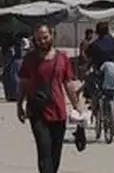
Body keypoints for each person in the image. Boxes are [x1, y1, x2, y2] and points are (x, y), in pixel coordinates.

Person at [18, 24, 80, 173]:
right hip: (37, 111)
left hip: (58, 111)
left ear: (52, 35)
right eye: (38, 39)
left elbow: (68, 83)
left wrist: (77, 106)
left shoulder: (62, 58)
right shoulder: (29, 59)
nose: (42, 41)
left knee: (55, 153)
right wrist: (19, 104)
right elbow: (24, 82)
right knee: (44, 151)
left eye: (45, 38)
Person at [86, 22, 114, 127]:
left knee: (93, 90)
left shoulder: (95, 44)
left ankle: (92, 111)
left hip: (100, 75)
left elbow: (88, 55)